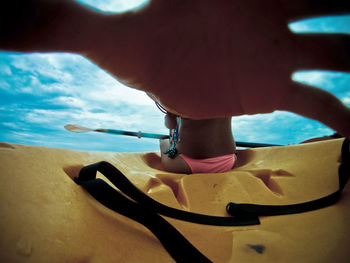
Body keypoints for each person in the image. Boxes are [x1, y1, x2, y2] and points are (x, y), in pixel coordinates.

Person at [1, 0, 349, 141]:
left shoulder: (172, 102)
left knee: (169, 147)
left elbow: (172, 129)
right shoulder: (230, 94)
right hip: (227, 157)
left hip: (186, 164)